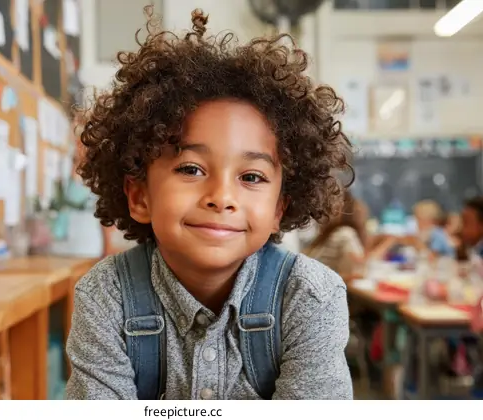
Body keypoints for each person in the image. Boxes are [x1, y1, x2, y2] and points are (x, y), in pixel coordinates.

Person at [66, 7, 353, 400]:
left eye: (251, 177)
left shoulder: (310, 296)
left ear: (278, 211)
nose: (221, 197)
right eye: (191, 169)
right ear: (139, 196)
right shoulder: (105, 296)